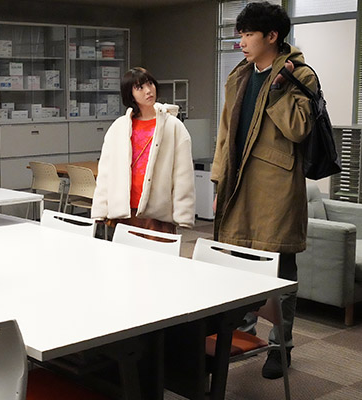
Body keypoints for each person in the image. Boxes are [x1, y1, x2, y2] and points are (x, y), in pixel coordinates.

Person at [211, 2, 317, 379]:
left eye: (248, 34)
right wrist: (219, 181)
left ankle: (280, 346)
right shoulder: (240, 74)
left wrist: (278, 89)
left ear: (272, 36)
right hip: (238, 184)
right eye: (240, 34)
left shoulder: (300, 75)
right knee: (239, 264)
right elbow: (226, 134)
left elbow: (299, 128)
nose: (241, 42)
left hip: (276, 188)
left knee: (281, 271)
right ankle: (244, 331)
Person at [91, 67, 195, 235]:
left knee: (159, 251)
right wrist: (100, 209)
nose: (148, 91)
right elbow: (106, 173)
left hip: (158, 213)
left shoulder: (173, 126)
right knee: (125, 252)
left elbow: (183, 174)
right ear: (130, 94)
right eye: (140, 87)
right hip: (125, 210)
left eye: (150, 84)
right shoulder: (119, 127)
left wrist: (183, 214)